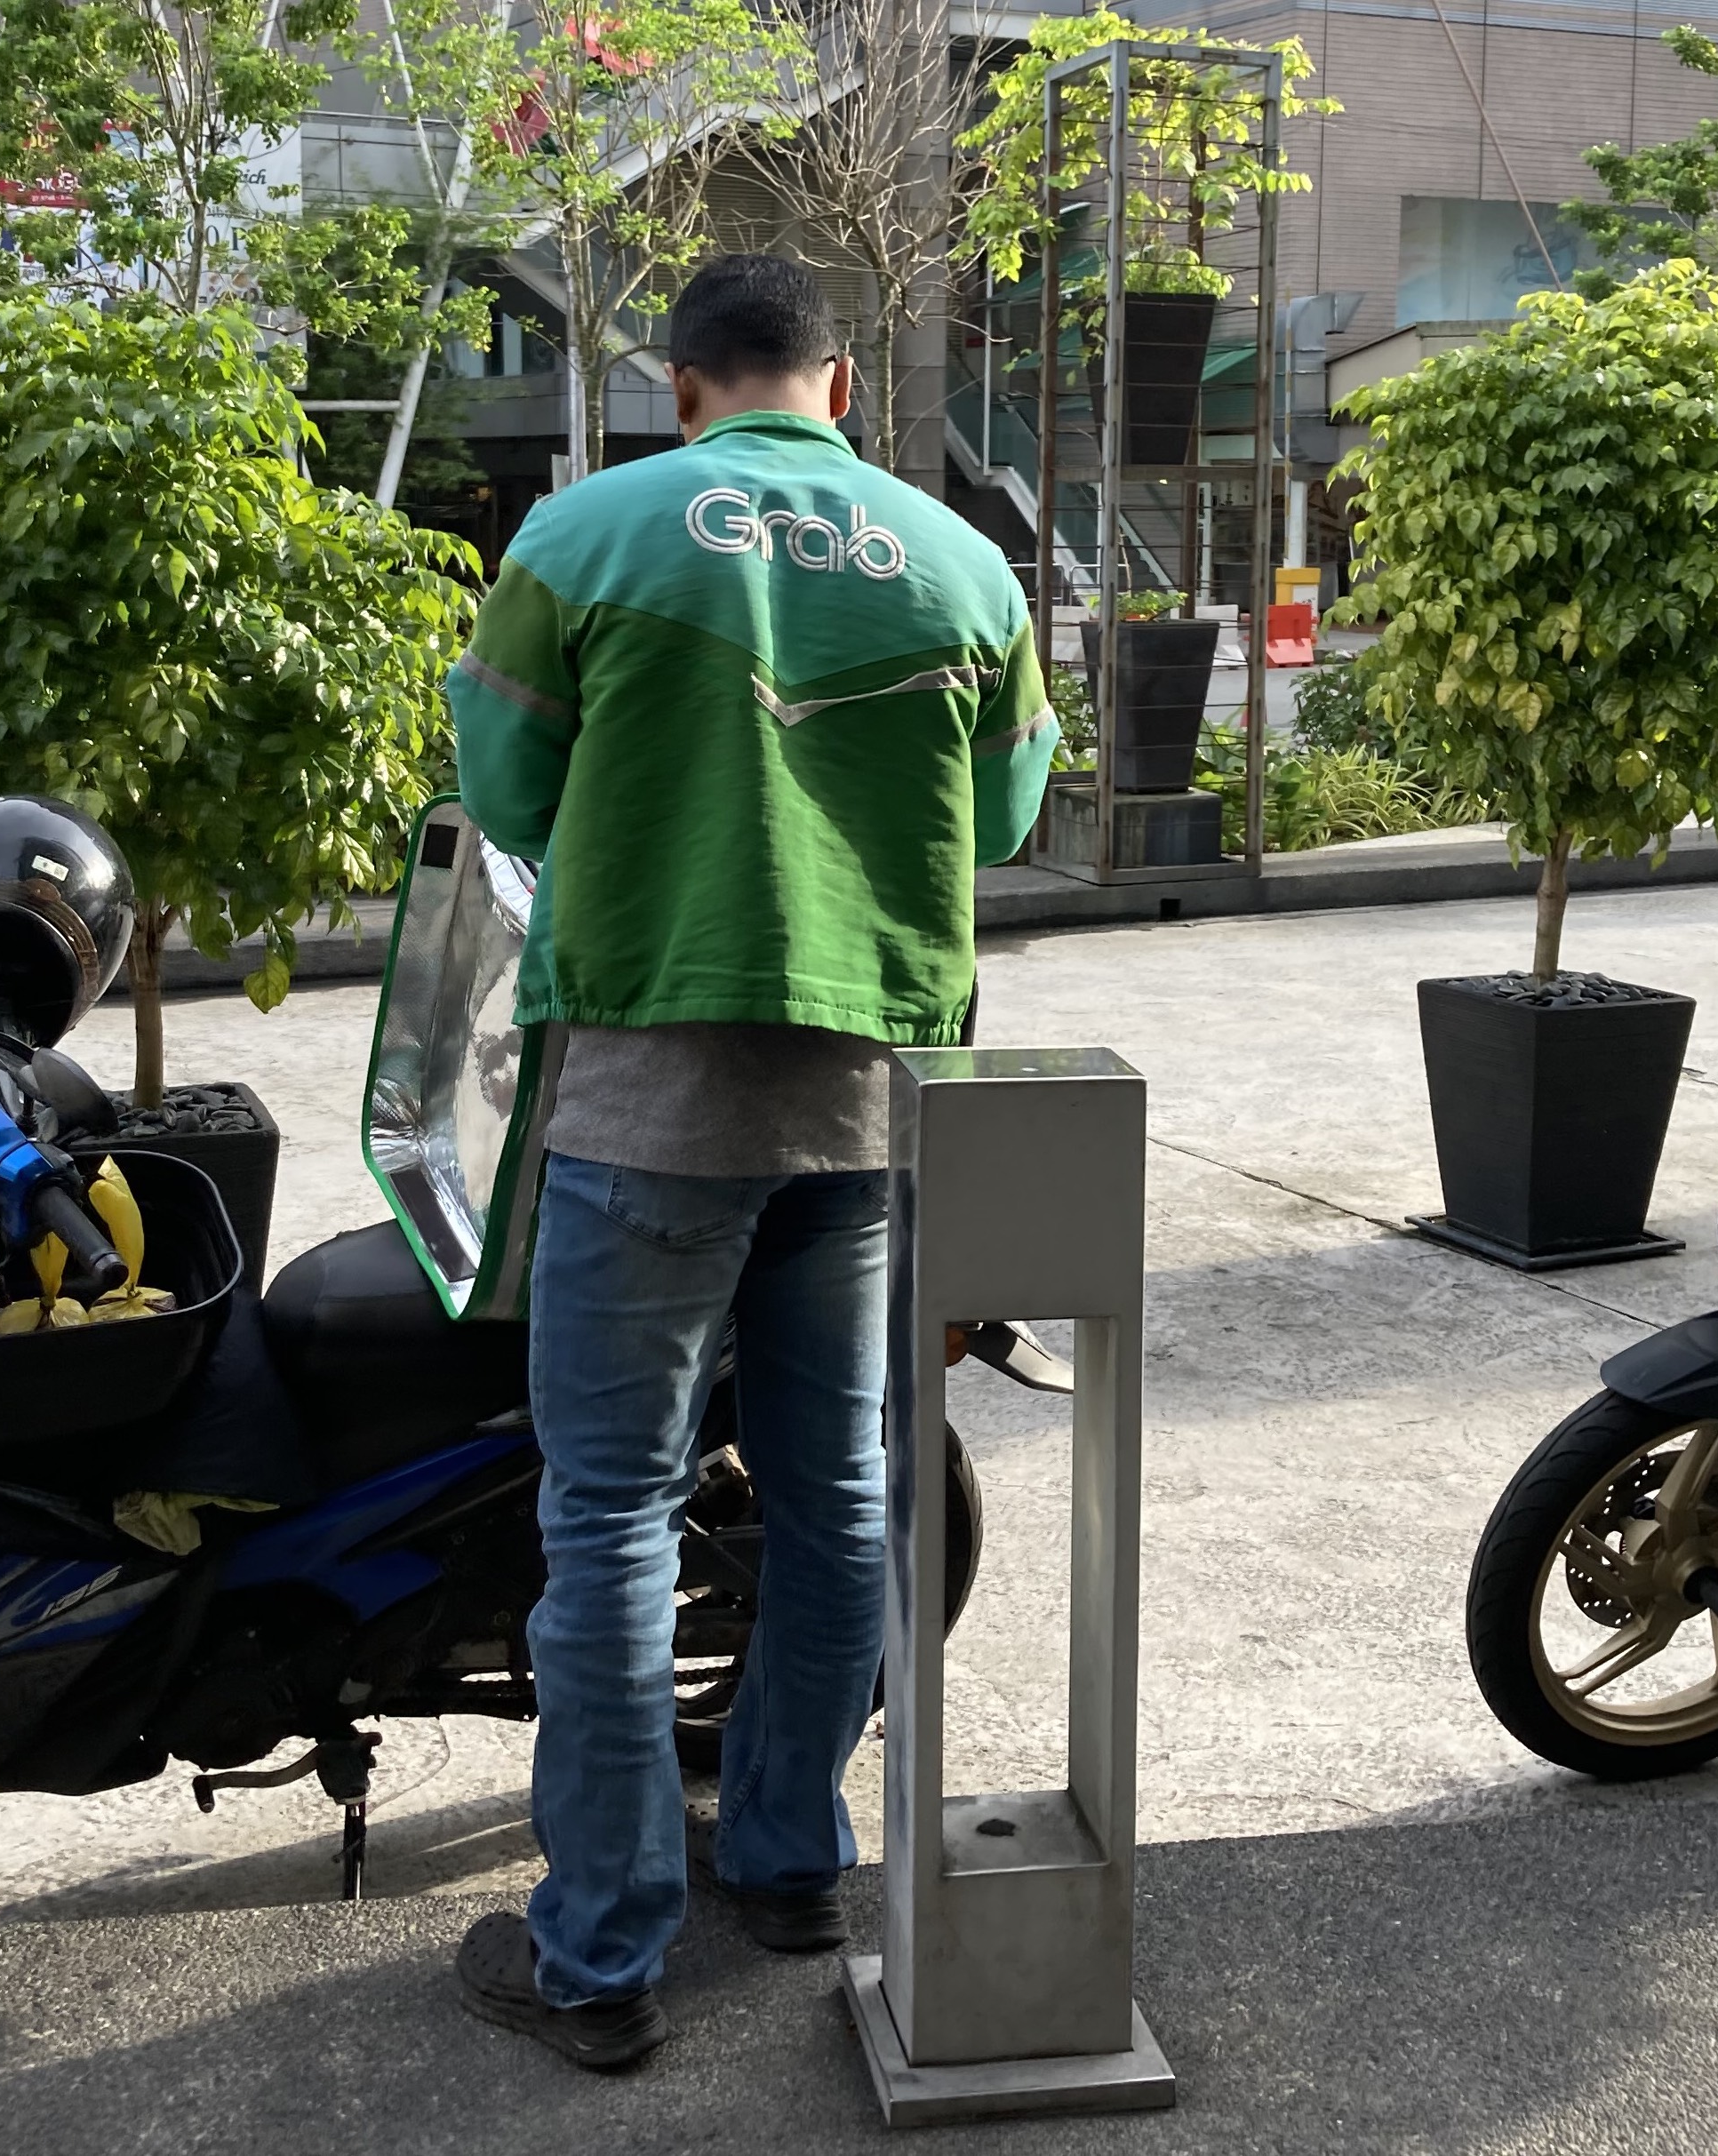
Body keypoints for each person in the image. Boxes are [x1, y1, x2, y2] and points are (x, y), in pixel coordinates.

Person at [444, 252, 1059, 2072]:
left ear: (683, 384)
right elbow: (1012, 814)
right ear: (843, 386)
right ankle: (793, 1863)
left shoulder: (588, 536)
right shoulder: (962, 564)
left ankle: (605, 1954)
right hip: (874, 1097)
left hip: (649, 1087)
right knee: (840, 1496)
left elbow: (505, 793)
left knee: (614, 1512)